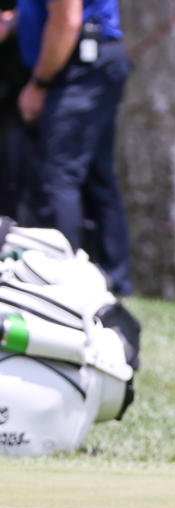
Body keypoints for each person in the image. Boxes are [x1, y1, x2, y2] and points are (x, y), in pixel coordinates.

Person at [0, 0, 132, 296]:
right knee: (98, 179)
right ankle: (117, 283)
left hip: (79, 67)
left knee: (57, 176)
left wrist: (39, 84)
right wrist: (15, 21)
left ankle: (62, 284)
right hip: (88, 62)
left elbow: (67, 20)